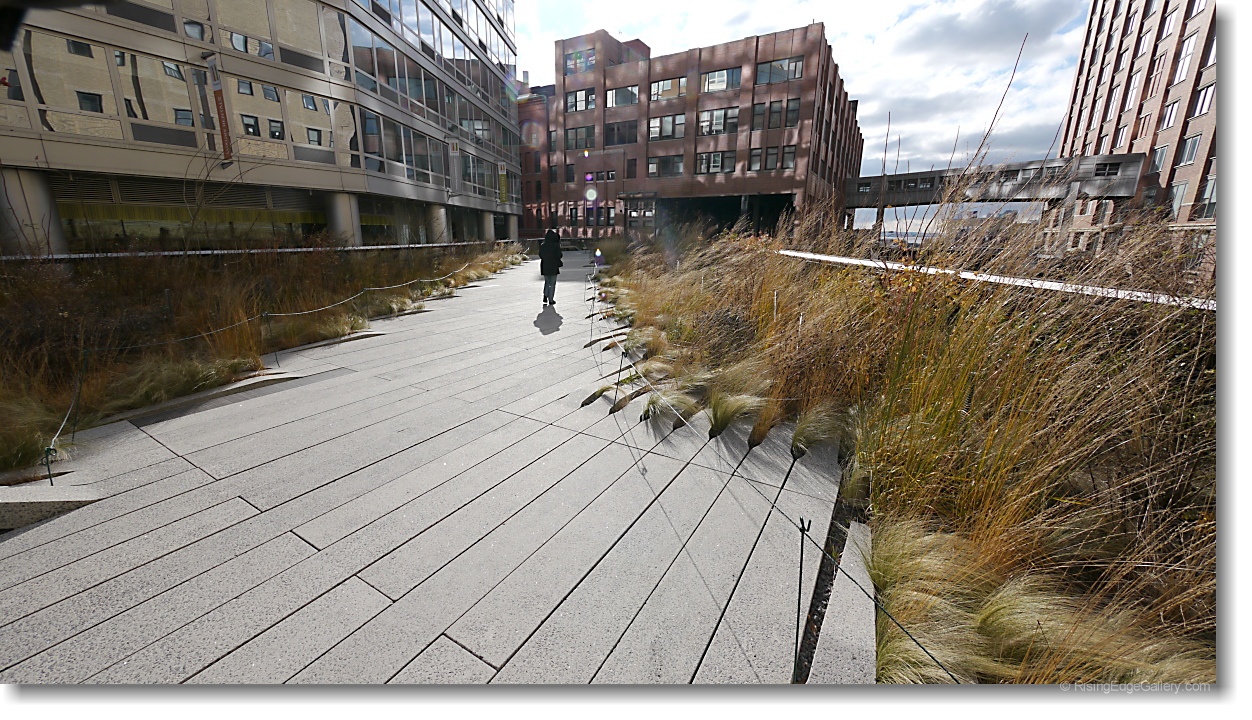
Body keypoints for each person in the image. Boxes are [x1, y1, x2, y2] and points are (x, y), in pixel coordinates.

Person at [539, 228, 563, 306]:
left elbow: (540, 255)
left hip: (545, 265)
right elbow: (559, 255)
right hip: (553, 265)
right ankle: (551, 299)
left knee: (547, 281)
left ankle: (545, 295)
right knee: (552, 283)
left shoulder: (543, 245)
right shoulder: (555, 246)